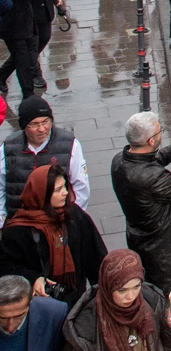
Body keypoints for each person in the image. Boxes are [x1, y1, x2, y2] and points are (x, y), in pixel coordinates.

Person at [110, 112, 171, 295]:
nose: (162, 132)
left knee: (150, 290)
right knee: (164, 296)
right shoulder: (153, 178)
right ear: (151, 141)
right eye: (160, 131)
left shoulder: (119, 160)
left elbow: (147, 162)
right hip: (163, 251)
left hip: (139, 239)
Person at [0, 163, 106, 309]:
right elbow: (7, 268)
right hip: (39, 305)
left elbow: (95, 256)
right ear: (41, 193)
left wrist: (103, 293)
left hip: (76, 300)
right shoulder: (18, 229)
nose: (65, 193)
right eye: (58, 189)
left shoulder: (74, 215)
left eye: (65, 187)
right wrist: (33, 279)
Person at [61, 249, 171, 351]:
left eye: (136, 287)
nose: (131, 296)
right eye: (122, 290)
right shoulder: (87, 323)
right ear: (108, 286)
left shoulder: (152, 300)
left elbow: (169, 348)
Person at [1, 96, 90, 216]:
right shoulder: (8, 147)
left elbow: (81, 187)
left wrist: (71, 217)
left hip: (58, 220)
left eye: (45, 122)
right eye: (35, 124)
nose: (42, 129)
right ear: (24, 126)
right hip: (20, 219)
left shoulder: (70, 144)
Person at [0, 274, 67, 350]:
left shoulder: (54, 314)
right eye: (3, 318)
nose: (10, 328)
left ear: (31, 300)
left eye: (19, 316)